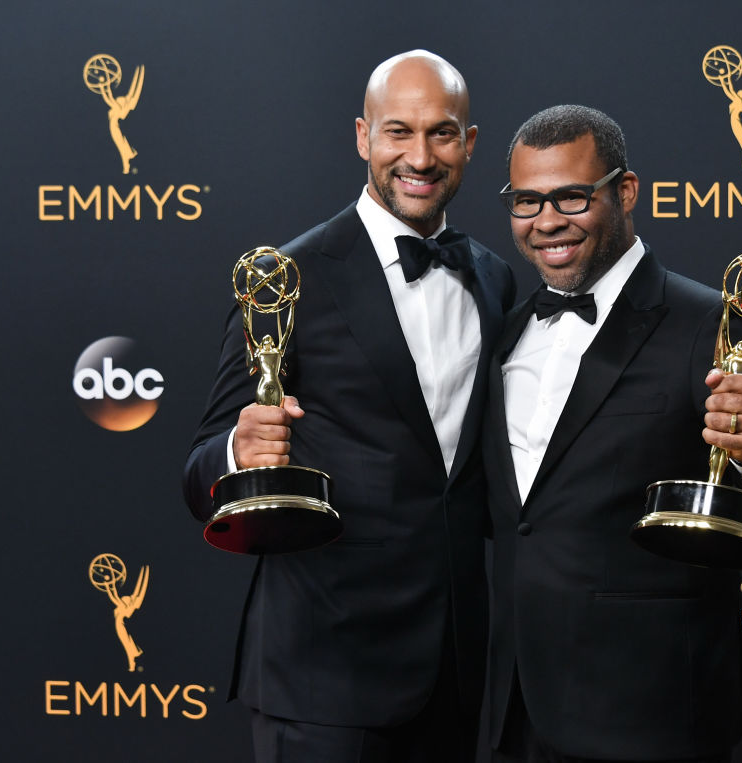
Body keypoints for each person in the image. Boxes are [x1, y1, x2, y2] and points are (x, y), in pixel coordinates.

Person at [183, 50, 514, 762]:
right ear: (363, 137)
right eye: (398, 132)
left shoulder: (495, 278)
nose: (419, 156)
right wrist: (240, 451)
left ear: (471, 143)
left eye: (442, 133)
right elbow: (198, 468)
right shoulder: (285, 278)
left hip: (458, 674)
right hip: (323, 675)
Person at [482, 105, 742, 763]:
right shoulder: (508, 327)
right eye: (526, 201)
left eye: (572, 197)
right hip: (515, 716)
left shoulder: (710, 325)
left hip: (651, 718)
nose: (546, 221)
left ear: (626, 191)